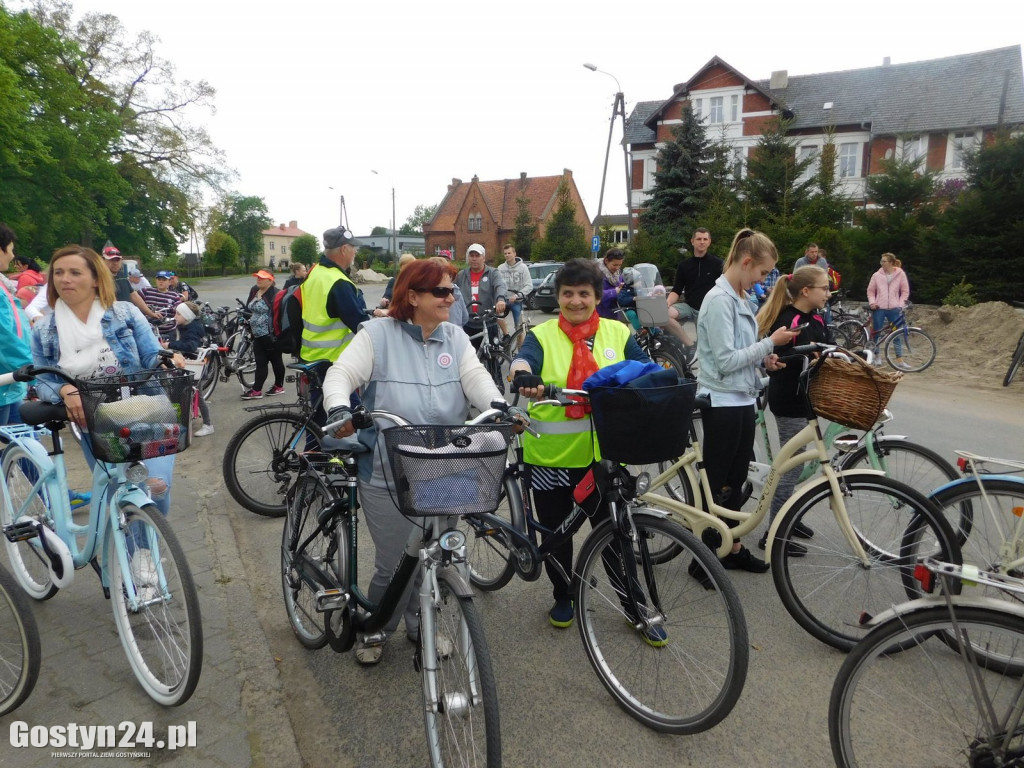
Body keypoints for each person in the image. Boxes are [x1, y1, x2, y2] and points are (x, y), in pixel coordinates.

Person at [322, 259, 503, 665]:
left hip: (446, 468)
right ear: (412, 296)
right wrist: (338, 409)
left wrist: (497, 406)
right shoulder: (376, 335)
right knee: (393, 564)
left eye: (452, 289)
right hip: (389, 472)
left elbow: (476, 378)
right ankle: (377, 628)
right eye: (441, 291)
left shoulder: (455, 337)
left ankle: (421, 625)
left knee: (433, 558)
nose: (451, 297)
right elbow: (341, 375)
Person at [509, 259, 651, 629]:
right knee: (557, 535)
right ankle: (563, 595)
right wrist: (523, 374)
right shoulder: (542, 335)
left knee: (616, 534)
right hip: (550, 457)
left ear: (596, 296)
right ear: (558, 297)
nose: (575, 301)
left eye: (583, 293)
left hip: (605, 458)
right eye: (567, 293)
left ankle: (633, 604)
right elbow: (523, 361)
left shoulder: (618, 333)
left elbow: (645, 370)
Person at [30, 245, 185, 519]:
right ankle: (136, 556)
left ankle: (152, 540)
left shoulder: (124, 313)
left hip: (148, 409)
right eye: (58, 273)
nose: (64, 279)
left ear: (95, 278)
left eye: (75, 272)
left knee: (156, 487)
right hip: (95, 424)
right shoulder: (44, 330)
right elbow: (42, 379)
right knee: (119, 494)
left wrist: (167, 356)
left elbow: (150, 354)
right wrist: (64, 389)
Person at [695, 229, 800, 576]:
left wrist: (763, 361)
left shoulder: (741, 299)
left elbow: (741, 354)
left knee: (735, 479)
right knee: (718, 481)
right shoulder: (719, 300)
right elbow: (725, 361)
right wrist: (769, 344)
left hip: (740, 397)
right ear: (745, 262)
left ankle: (731, 546)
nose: (764, 280)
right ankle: (704, 556)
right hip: (721, 400)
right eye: (762, 272)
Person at [755, 266, 834, 553]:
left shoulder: (816, 318)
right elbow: (781, 361)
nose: (828, 293)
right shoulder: (790, 320)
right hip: (789, 400)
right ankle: (775, 535)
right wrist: (809, 360)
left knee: (799, 463)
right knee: (790, 467)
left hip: (806, 400)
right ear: (805, 291)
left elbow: (829, 348)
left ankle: (789, 516)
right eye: (824, 288)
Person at [299, 226, 374, 365]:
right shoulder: (338, 282)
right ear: (344, 249)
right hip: (334, 360)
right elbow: (359, 324)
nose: (355, 251)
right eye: (353, 247)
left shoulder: (314, 273)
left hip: (309, 355)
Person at [162, 301, 215, 436]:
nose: (175, 316)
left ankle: (208, 424)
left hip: (193, 366)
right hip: (188, 365)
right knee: (180, 393)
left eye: (178, 314)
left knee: (197, 396)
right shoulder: (186, 326)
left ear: (187, 316)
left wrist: (170, 345)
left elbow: (190, 346)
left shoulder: (191, 329)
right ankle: (181, 423)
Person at [666, 228, 723, 348]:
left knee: (707, 347)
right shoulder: (684, 265)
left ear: (709, 242)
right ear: (692, 241)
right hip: (689, 307)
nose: (702, 242)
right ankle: (690, 345)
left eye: (705, 239)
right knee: (663, 314)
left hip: (708, 310)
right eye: (698, 239)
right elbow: (676, 290)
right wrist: (668, 302)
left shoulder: (718, 264)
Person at [0, 224, 33, 424]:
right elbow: (3, 335)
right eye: (10, 249)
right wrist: (29, 365)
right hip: (8, 376)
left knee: (25, 441)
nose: (13, 256)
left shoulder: (3, 283)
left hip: (10, 381)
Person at [241, 269, 285, 399]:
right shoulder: (255, 290)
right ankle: (256, 390)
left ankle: (279, 386)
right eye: (258, 277)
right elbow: (248, 308)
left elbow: (279, 314)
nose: (258, 279)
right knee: (260, 362)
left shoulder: (276, 293)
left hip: (270, 334)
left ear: (270, 280)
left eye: (262, 278)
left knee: (276, 360)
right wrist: (244, 318)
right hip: (257, 334)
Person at [455, 243, 507, 346]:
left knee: (491, 357)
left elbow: (500, 286)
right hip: (468, 324)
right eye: (471, 256)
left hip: (488, 322)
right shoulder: (461, 275)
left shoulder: (492, 273)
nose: (474, 259)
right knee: (470, 359)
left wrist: (500, 299)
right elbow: (452, 291)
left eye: (477, 256)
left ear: (483, 257)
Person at [101, 245, 163, 323]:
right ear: (102, 260)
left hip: (128, 318)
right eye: (111, 260)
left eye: (117, 260)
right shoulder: (98, 279)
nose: (115, 263)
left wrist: (150, 313)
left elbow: (134, 296)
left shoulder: (122, 275)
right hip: (110, 321)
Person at [867, 253, 910, 362]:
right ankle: (876, 356)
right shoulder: (876, 275)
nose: (881, 263)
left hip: (894, 308)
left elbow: (905, 291)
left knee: (896, 333)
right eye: (881, 261)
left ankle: (899, 359)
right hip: (879, 308)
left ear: (891, 263)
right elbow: (870, 291)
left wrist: (900, 305)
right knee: (876, 332)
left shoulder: (900, 274)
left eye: (884, 261)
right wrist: (872, 303)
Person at [496, 243, 532, 339]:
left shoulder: (523, 268)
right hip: (504, 300)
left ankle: (519, 352)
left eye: (509, 253)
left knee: (519, 328)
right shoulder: (500, 268)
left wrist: (517, 296)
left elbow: (529, 285)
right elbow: (497, 285)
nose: (507, 255)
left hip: (517, 301)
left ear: (514, 253)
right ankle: (506, 335)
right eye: (505, 253)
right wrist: (500, 298)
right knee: (496, 316)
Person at [137, 270, 182, 336]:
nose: (161, 282)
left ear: (169, 282)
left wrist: (174, 310)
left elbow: (179, 311)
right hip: (148, 329)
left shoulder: (174, 296)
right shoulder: (146, 291)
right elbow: (135, 301)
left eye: (164, 280)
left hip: (167, 330)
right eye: (159, 279)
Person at [432, 256, 469, 327]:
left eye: (451, 291)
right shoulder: (457, 291)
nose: (451, 299)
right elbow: (465, 317)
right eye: (441, 291)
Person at [596, 248, 626, 320]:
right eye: (614, 265)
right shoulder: (595, 273)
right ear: (606, 261)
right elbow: (594, 294)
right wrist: (614, 292)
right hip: (599, 316)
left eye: (620, 265)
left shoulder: (618, 274)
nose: (617, 268)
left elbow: (622, 288)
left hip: (613, 315)